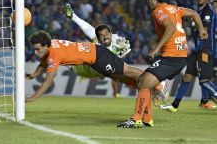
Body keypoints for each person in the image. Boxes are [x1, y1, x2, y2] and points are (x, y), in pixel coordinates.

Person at [117, 0, 208, 128]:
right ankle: (147, 119)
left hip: (171, 57)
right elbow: (194, 14)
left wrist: (155, 49)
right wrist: (201, 29)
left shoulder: (158, 11)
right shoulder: (174, 8)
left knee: (143, 82)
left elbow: (170, 28)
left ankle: (137, 119)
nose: (147, 1)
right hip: (178, 56)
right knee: (143, 81)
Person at [26, 30, 156, 126]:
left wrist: (33, 97)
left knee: (129, 71)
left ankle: (158, 83)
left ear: (45, 46)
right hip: (95, 59)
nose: (36, 53)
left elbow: (48, 81)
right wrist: (34, 75)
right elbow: (43, 62)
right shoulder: (51, 45)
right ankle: (147, 118)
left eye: (37, 49)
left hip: (98, 56)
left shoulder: (54, 54)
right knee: (129, 80)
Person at [63, 3, 169, 101]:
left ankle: (157, 85)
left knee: (130, 75)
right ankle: (155, 87)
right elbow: (87, 27)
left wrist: (122, 53)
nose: (104, 38)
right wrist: (73, 16)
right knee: (129, 75)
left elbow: (126, 49)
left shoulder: (116, 39)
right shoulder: (96, 40)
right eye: (101, 36)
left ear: (110, 33)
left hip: (101, 68)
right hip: (84, 67)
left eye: (106, 34)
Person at [160, 0, 217, 112]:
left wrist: (194, 22)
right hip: (198, 51)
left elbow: (204, 30)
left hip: (205, 50)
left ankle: (206, 100)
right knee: (187, 77)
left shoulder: (208, 11)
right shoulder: (199, 11)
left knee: (204, 81)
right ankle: (174, 106)